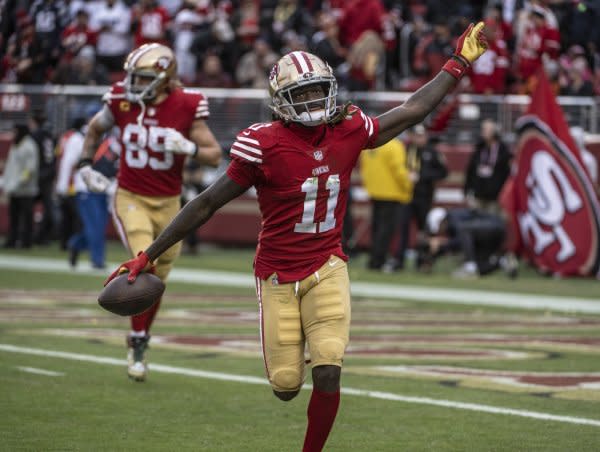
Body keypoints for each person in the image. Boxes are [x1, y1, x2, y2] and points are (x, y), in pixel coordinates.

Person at [106, 24, 488, 452]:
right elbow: (206, 204)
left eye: (316, 90)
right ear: (280, 102)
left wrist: (457, 64)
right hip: (276, 275)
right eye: (300, 94)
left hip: (328, 265)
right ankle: (298, 345)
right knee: (286, 386)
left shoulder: (347, 128)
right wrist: (148, 255)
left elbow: (412, 110)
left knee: (328, 367)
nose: (310, 100)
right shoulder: (263, 145)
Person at [76, 43, 222, 380]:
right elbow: (96, 128)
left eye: (142, 78)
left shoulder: (187, 104)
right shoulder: (121, 100)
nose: (133, 85)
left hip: (170, 204)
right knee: (145, 262)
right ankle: (138, 340)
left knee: (157, 283)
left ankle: (140, 334)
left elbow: (214, 154)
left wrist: (188, 147)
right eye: (132, 77)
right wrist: (86, 164)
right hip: (131, 196)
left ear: (166, 78)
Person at [385, 124, 448, 272]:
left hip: (424, 197)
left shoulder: (432, 152)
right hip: (406, 196)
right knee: (402, 229)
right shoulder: (405, 150)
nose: (420, 139)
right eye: (417, 135)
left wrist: (422, 177)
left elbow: (443, 173)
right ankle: (398, 260)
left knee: (424, 231)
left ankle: (422, 261)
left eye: (422, 135)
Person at [360, 136, 413, 271]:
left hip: (375, 192)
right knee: (386, 230)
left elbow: (364, 169)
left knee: (377, 229)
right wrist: (408, 187)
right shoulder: (394, 146)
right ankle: (379, 261)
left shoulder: (369, 146)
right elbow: (399, 170)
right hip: (392, 194)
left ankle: (374, 260)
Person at [422, 206, 517, 279]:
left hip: (493, 226)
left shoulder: (453, 218)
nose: (439, 232)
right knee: (478, 267)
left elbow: (460, 239)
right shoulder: (454, 223)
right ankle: (503, 262)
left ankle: (469, 268)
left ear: (441, 221)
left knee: (464, 230)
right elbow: (460, 243)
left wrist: (443, 243)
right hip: (489, 234)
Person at [2, 124, 39, 249]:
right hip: (14, 189)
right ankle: (12, 240)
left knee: (27, 217)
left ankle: (26, 242)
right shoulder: (16, 145)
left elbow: (30, 169)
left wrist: (19, 182)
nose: (14, 134)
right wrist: (7, 182)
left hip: (25, 190)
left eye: (15, 131)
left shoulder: (29, 146)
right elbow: (10, 166)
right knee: (14, 216)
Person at [464, 119, 511, 215]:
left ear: (494, 132)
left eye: (486, 129)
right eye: (482, 129)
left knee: (491, 223)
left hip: (495, 197)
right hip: (479, 195)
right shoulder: (479, 149)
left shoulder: (503, 151)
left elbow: (507, 173)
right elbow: (470, 170)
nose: (483, 131)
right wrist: (467, 190)